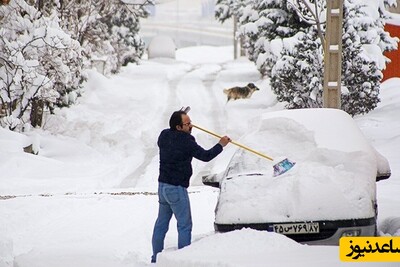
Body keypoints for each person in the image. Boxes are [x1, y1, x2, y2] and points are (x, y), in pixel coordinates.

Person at [151, 110, 230, 263]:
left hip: (163, 188)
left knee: (161, 224)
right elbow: (205, 156)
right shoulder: (186, 141)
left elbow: (172, 133)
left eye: (190, 122)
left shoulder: (164, 135)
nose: (191, 126)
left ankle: (156, 258)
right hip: (177, 189)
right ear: (179, 127)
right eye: (187, 124)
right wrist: (221, 144)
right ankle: (183, 261)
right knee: (185, 225)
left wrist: (180, 116)